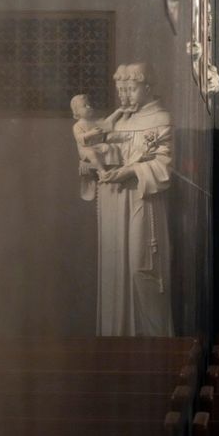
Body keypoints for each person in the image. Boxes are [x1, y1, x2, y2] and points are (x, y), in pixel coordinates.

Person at [91, 62, 175, 336]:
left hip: (142, 198)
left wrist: (130, 171)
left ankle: (150, 338)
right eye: (121, 90)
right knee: (115, 267)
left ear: (147, 87)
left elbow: (164, 165)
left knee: (141, 267)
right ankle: (116, 335)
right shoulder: (116, 121)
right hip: (114, 200)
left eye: (131, 89)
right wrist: (90, 167)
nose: (125, 95)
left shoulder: (160, 119)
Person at [70, 94, 129, 178]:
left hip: (98, 146)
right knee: (92, 153)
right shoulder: (78, 125)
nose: (89, 107)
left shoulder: (95, 121)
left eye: (89, 104)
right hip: (85, 149)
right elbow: (80, 138)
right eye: (84, 106)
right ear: (76, 112)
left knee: (111, 148)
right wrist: (91, 133)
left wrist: (118, 111)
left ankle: (113, 168)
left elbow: (107, 122)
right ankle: (102, 171)